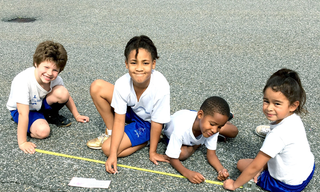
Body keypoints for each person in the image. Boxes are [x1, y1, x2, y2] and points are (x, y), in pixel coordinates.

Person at [86, 35, 171, 173]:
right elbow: (119, 121)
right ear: (126, 64)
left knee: (106, 148)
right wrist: (114, 154)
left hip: (147, 122)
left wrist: (153, 152)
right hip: (131, 109)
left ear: (153, 64)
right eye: (133, 62)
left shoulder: (161, 86)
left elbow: (157, 122)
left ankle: (145, 140)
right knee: (97, 87)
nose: (139, 68)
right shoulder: (122, 83)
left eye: (145, 63)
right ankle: (110, 133)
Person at [223, 68, 315, 191]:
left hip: (287, 186)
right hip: (307, 171)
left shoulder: (277, 135)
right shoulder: (294, 118)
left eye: (277, 103)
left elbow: (254, 167)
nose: (269, 108)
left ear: (293, 105)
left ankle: (262, 177)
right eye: (266, 101)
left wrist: (234, 185)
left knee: (241, 163)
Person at [7, 41, 89, 154]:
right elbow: (23, 113)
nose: (49, 73)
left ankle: (47, 116)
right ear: (36, 63)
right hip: (23, 110)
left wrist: (77, 115)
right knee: (43, 131)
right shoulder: (23, 80)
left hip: (39, 104)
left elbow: (67, 97)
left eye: (55, 70)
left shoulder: (55, 79)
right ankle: (33, 124)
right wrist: (22, 142)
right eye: (46, 67)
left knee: (62, 92)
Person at [163, 96, 238, 184]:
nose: (214, 130)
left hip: (200, 120)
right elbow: (172, 158)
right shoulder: (180, 129)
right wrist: (188, 173)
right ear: (200, 115)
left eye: (219, 127)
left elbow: (211, 154)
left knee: (233, 131)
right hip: (182, 121)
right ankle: (198, 144)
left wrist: (221, 169)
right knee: (182, 155)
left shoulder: (213, 128)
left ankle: (224, 120)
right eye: (212, 124)